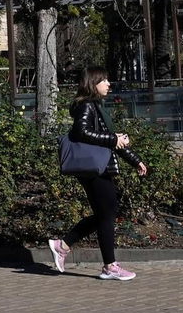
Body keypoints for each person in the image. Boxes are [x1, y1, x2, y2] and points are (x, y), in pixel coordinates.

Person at [47, 67, 146, 281]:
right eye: (104, 80)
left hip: (98, 167)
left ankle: (62, 246)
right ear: (93, 84)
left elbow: (111, 139)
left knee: (106, 213)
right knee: (107, 213)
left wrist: (135, 160)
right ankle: (109, 266)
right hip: (94, 168)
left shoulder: (95, 107)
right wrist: (112, 139)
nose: (108, 84)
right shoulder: (86, 106)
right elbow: (82, 132)